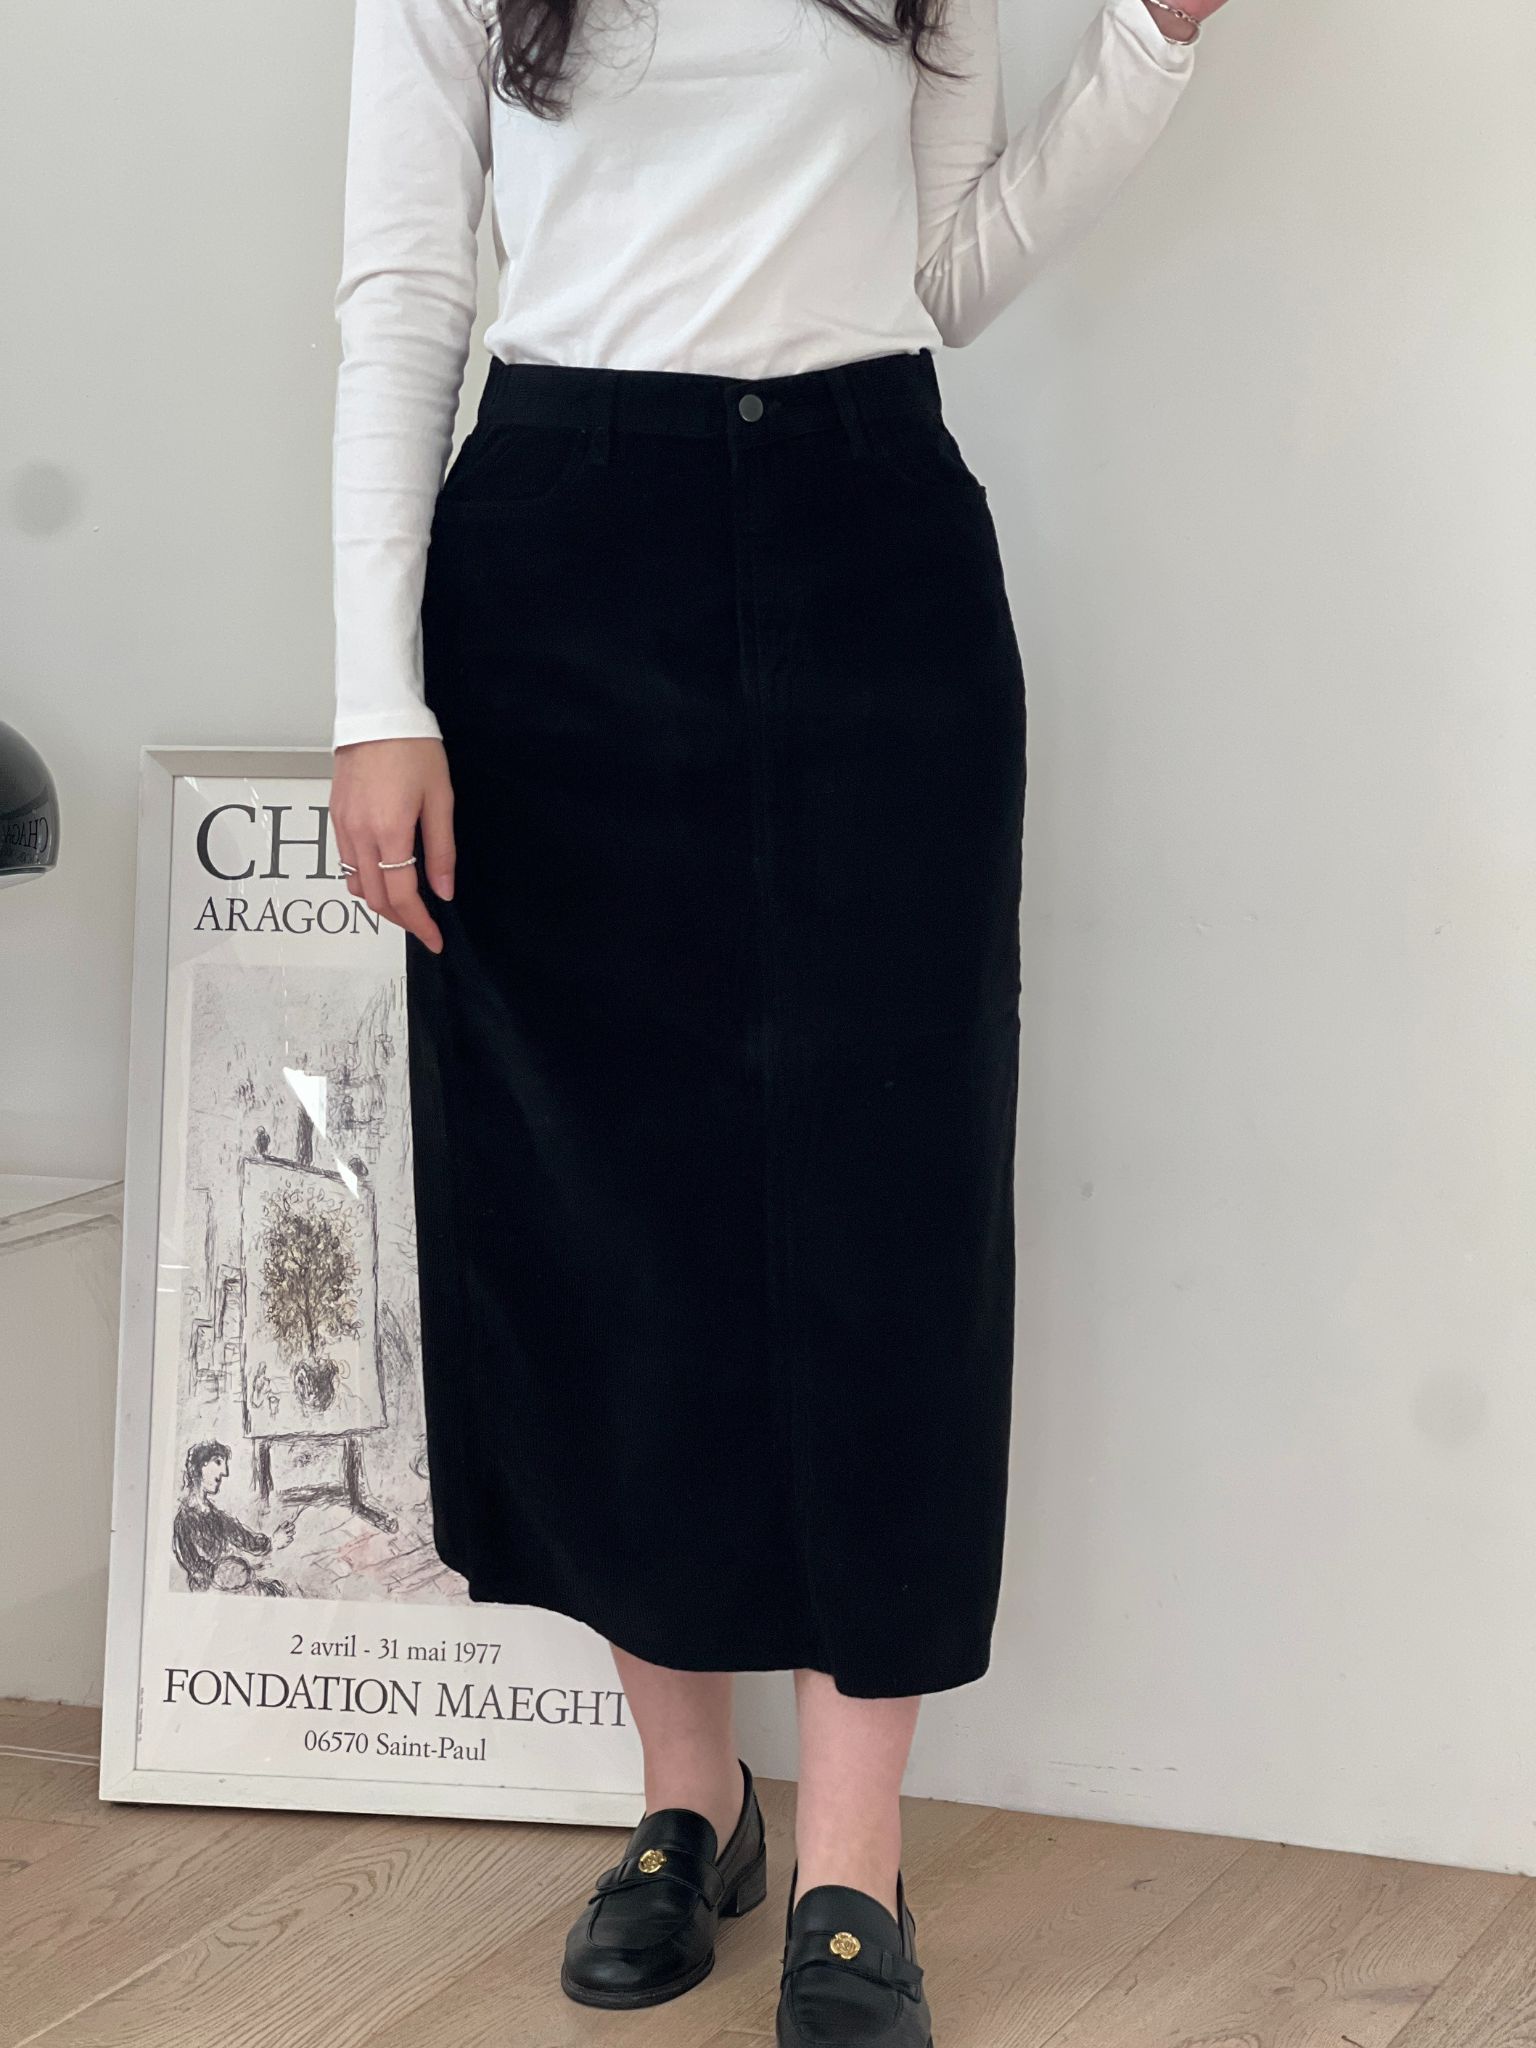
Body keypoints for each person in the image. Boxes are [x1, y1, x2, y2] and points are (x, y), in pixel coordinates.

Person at [327, 0, 1222, 2038]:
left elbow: (942, 272)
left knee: (886, 1211)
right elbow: (403, 292)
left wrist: (1152, 46)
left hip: (866, 547)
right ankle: (685, 1801)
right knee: (602, 1212)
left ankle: (853, 1861)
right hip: (556, 565)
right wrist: (379, 695)